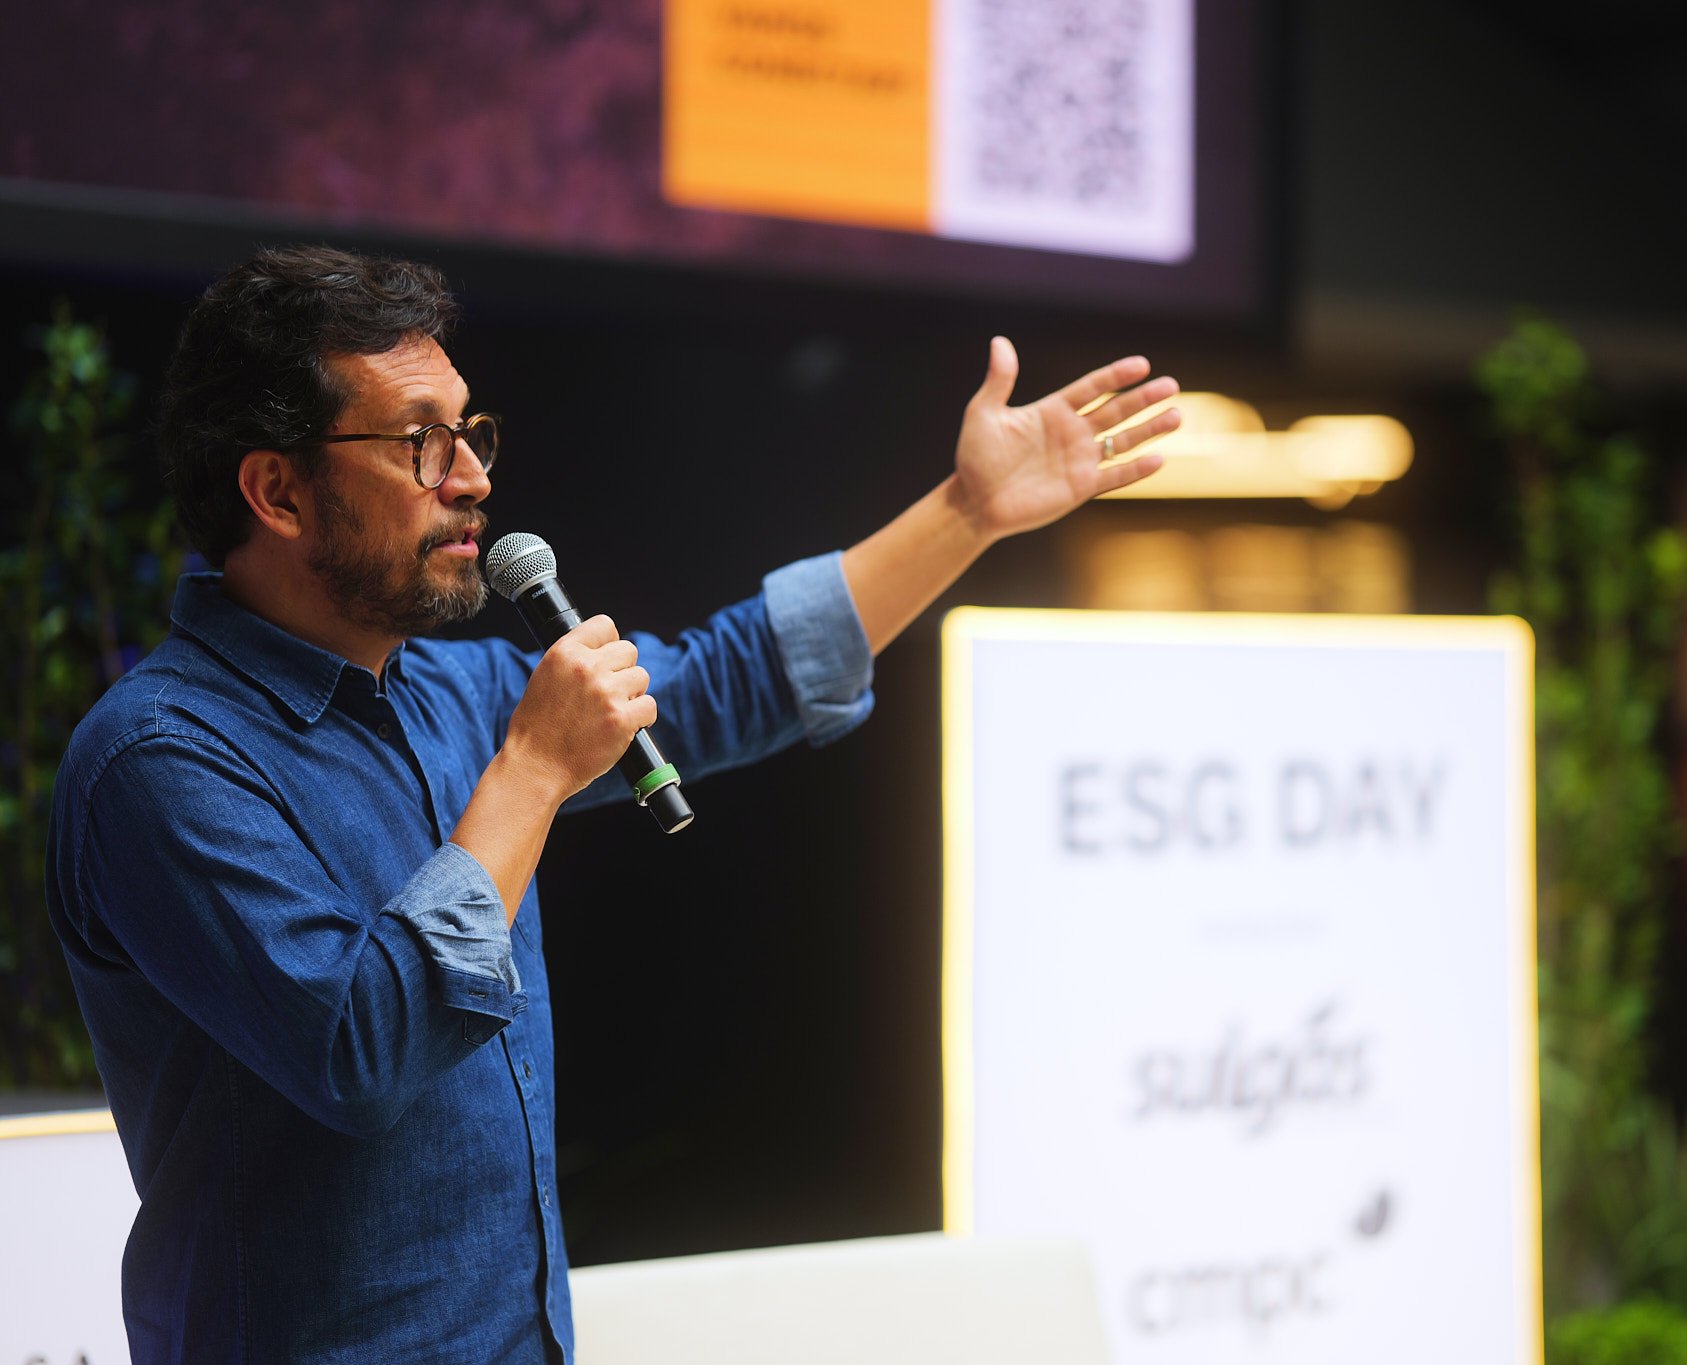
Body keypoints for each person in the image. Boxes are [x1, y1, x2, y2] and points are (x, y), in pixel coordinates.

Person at [45, 245, 1178, 1363]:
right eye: (418, 441)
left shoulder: (449, 693)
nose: (472, 477)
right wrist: (533, 771)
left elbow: (732, 679)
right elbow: (361, 1048)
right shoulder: (159, 759)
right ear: (278, 491)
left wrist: (968, 512)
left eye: (470, 433)